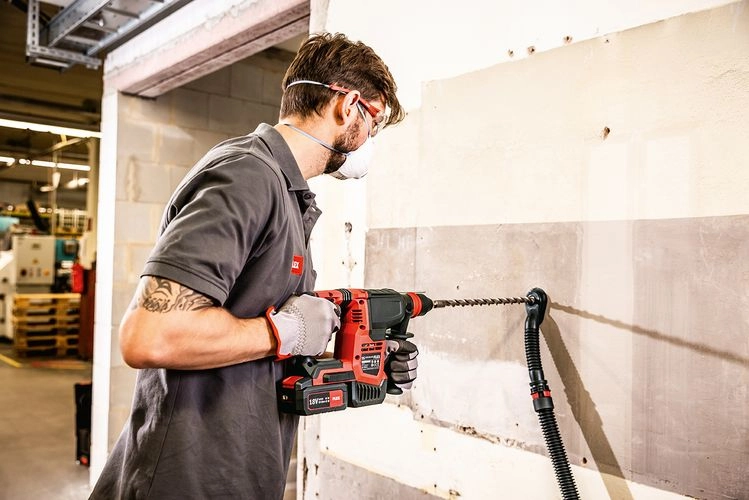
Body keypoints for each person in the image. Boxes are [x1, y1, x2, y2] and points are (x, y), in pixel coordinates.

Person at [90, 32, 418, 499]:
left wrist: (365, 364)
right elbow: (151, 335)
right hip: (186, 480)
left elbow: (254, 345)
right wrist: (284, 331)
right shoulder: (246, 175)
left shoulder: (286, 193)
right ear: (348, 106)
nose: (370, 139)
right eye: (375, 121)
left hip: (238, 471)